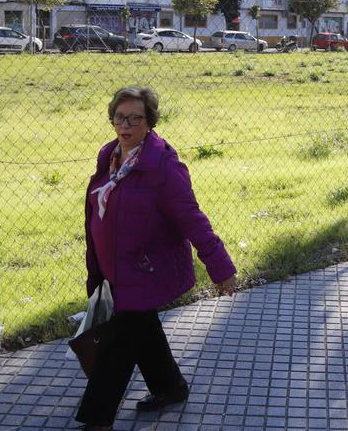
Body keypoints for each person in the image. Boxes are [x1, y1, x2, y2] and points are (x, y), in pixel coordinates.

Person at [78, 86, 237, 430]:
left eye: (136, 118)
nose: (127, 124)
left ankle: (96, 418)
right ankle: (170, 386)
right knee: (143, 328)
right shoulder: (109, 156)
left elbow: (191, 216)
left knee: (117, 347)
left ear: (150, 122)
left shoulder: (162, 166)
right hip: (113, 269)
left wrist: (220, 266)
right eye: (121, 117)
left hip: (143, 270)